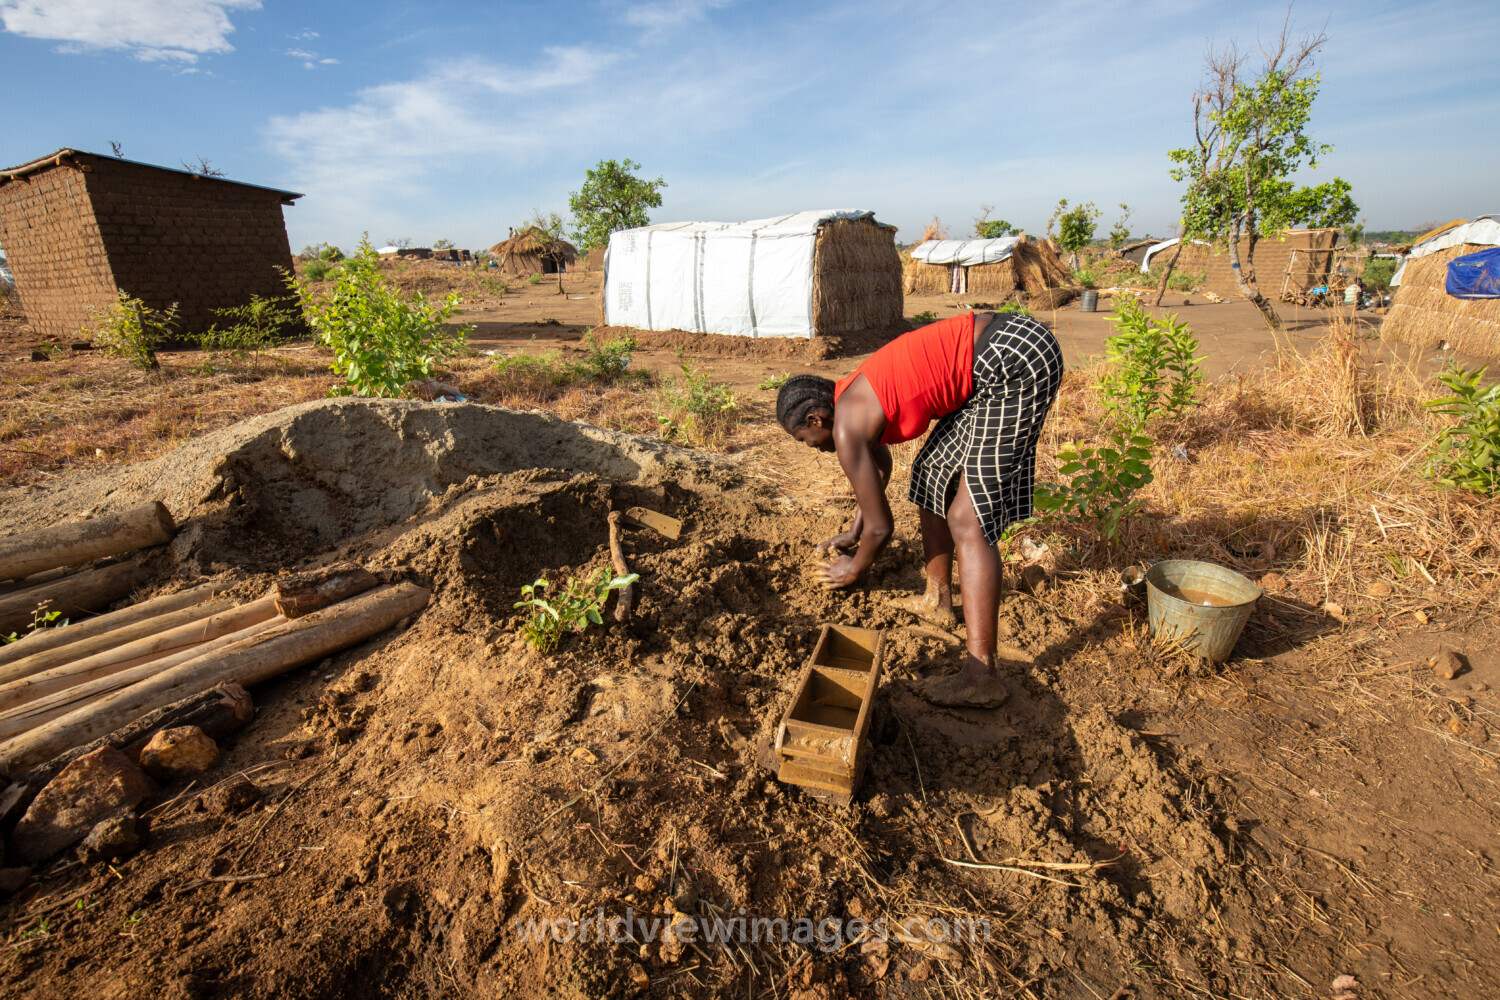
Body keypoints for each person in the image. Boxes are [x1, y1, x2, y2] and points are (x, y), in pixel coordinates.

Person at [775, 310, 1063, 707]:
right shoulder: (852, 398)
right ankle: (938, 599)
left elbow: (884, 528)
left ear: (815, 417)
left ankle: (983, 676)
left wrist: (854, 566)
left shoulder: (844, 429)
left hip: (1010, 358)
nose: (814, 448)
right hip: (995, 354)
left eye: (805, 438)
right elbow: (879, 469)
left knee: (968, 517)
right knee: (931, 471)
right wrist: (854, 531)